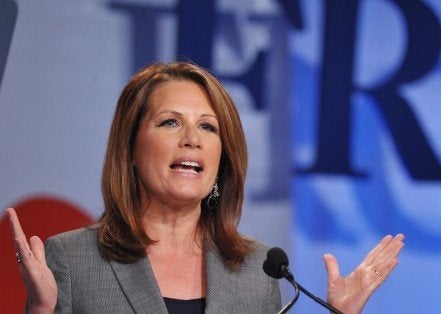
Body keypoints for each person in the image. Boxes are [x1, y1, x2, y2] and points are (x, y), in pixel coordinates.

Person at [7, 61, 405, 314]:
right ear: (130, 147)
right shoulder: (73, 259)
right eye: (170, 122)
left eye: (208, 127)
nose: (192, 139)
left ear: (222, 156)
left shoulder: (259, 270)